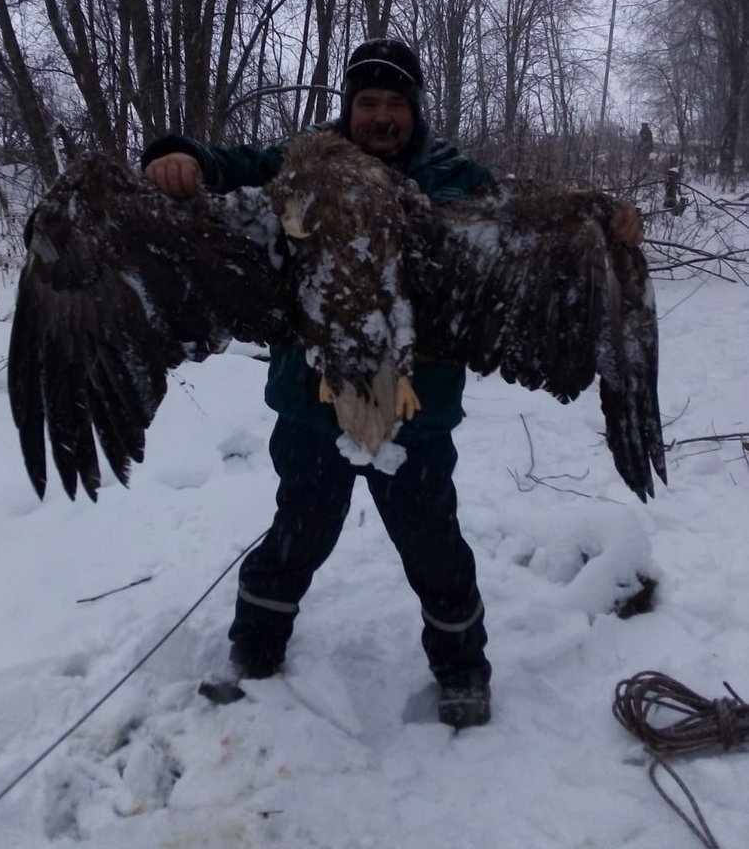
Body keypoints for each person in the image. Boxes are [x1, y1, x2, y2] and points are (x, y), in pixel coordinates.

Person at [141, 37, 643, 729]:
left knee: (432, 544)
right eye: (367, 102)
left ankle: (463, 670)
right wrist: (180, 155)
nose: (380, 116)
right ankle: (253, 650)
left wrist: (604, 223)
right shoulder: (304, 163)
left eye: (394, 103)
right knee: (297, 532)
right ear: (349, 108)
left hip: (414, 410)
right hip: (314, 401)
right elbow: (226, 167)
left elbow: (524, 217)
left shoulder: (452, 181)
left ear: (415, 109)